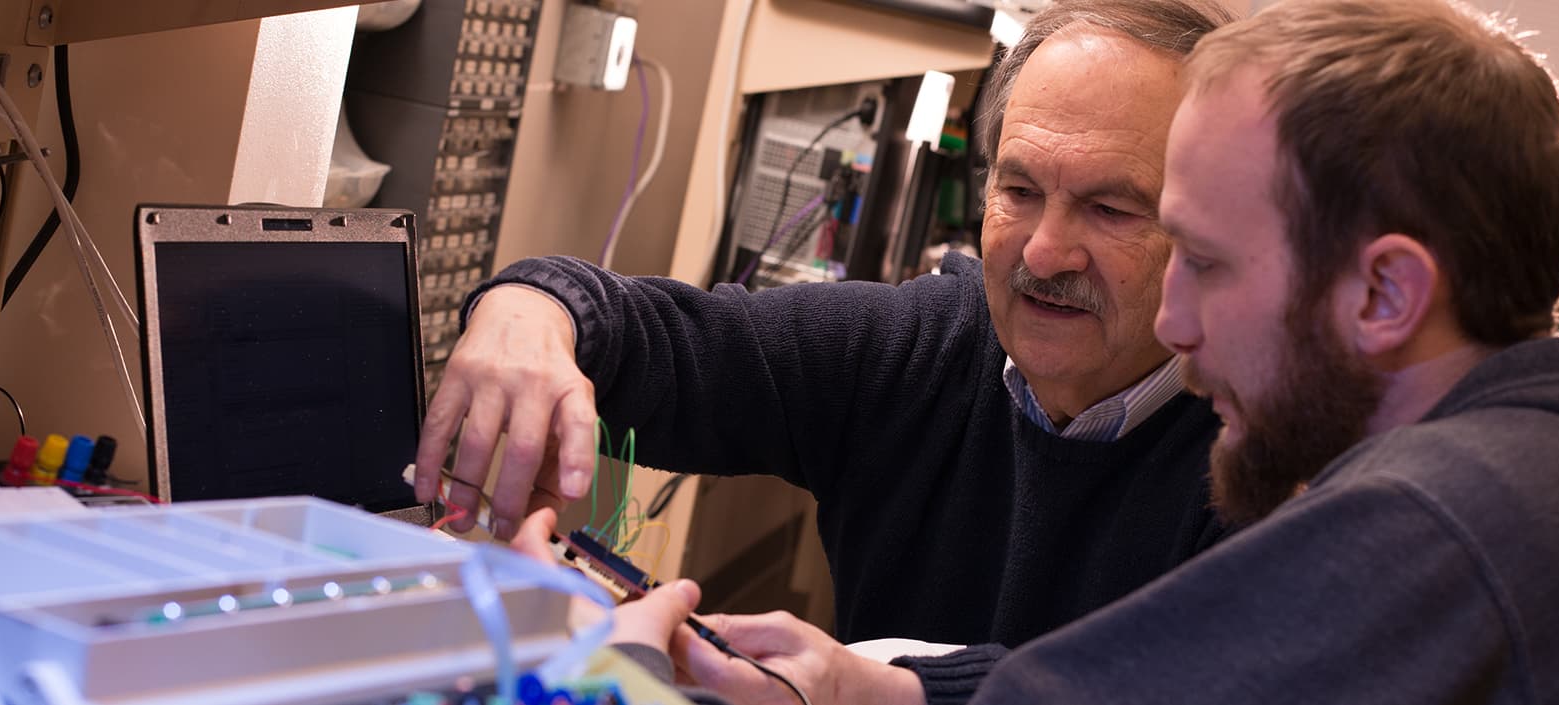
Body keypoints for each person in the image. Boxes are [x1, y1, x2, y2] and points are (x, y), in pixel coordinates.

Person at [592, 1, 1559, 703]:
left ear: (1388, 290)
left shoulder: (1456, 522)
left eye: (1201, 256)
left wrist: (621, 677)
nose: (1180, 327)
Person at [416, 0, 1240, 682]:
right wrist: (533, 308)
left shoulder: (1268, 448)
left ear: (1207, 230)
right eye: (1018, 189)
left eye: (1111, 208)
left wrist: (888, 693)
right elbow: (673, 344)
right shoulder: (919, 349)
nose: (1043, 252)